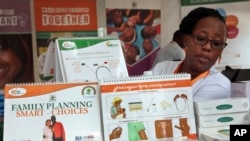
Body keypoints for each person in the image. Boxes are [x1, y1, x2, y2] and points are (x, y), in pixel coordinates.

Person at [151, 7, 231, 101]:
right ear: (186, 41)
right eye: (201, 39)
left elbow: (183, 114)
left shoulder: (218, 86)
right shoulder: (161, 69)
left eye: (217, 43)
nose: (208, 47)